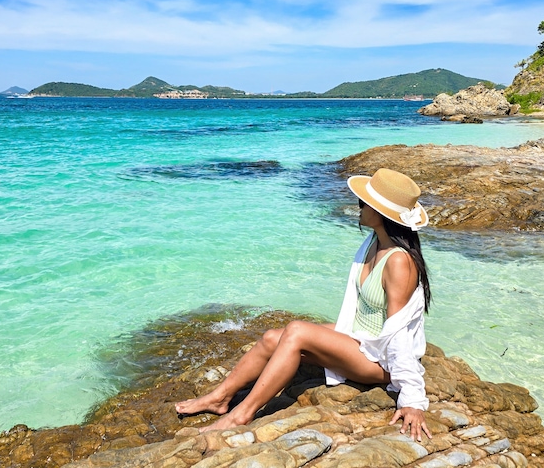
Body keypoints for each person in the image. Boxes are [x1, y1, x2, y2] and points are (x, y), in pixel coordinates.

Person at [175, 168, 433, 442]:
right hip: (360, 337)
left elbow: (400, 332)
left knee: (297, 331)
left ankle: (241, 414)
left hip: (380, 359)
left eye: (363, 203)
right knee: (274, 337)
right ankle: (220, 397)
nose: (357, 207)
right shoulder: (374, 242)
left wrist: (412, 400)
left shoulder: (398, 261)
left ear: (381, 214)